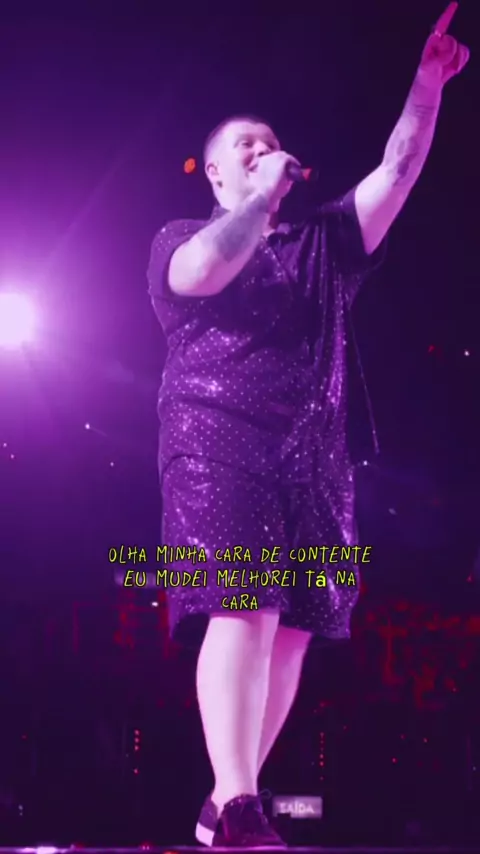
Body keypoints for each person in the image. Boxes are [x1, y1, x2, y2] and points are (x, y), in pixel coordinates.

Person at [147, 6, 468, 847]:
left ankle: (229, 803)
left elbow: (398, 171)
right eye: (244, 147)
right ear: (217, 175)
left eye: (269, 141)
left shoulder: (324, 239)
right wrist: (259, 199)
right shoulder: (182, 237)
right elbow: (204, 272)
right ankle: (238, 803)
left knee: (295, 626)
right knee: (244, 604)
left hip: (316, 454)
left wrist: (427, 85)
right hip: (218, 439)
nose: (262, 149)